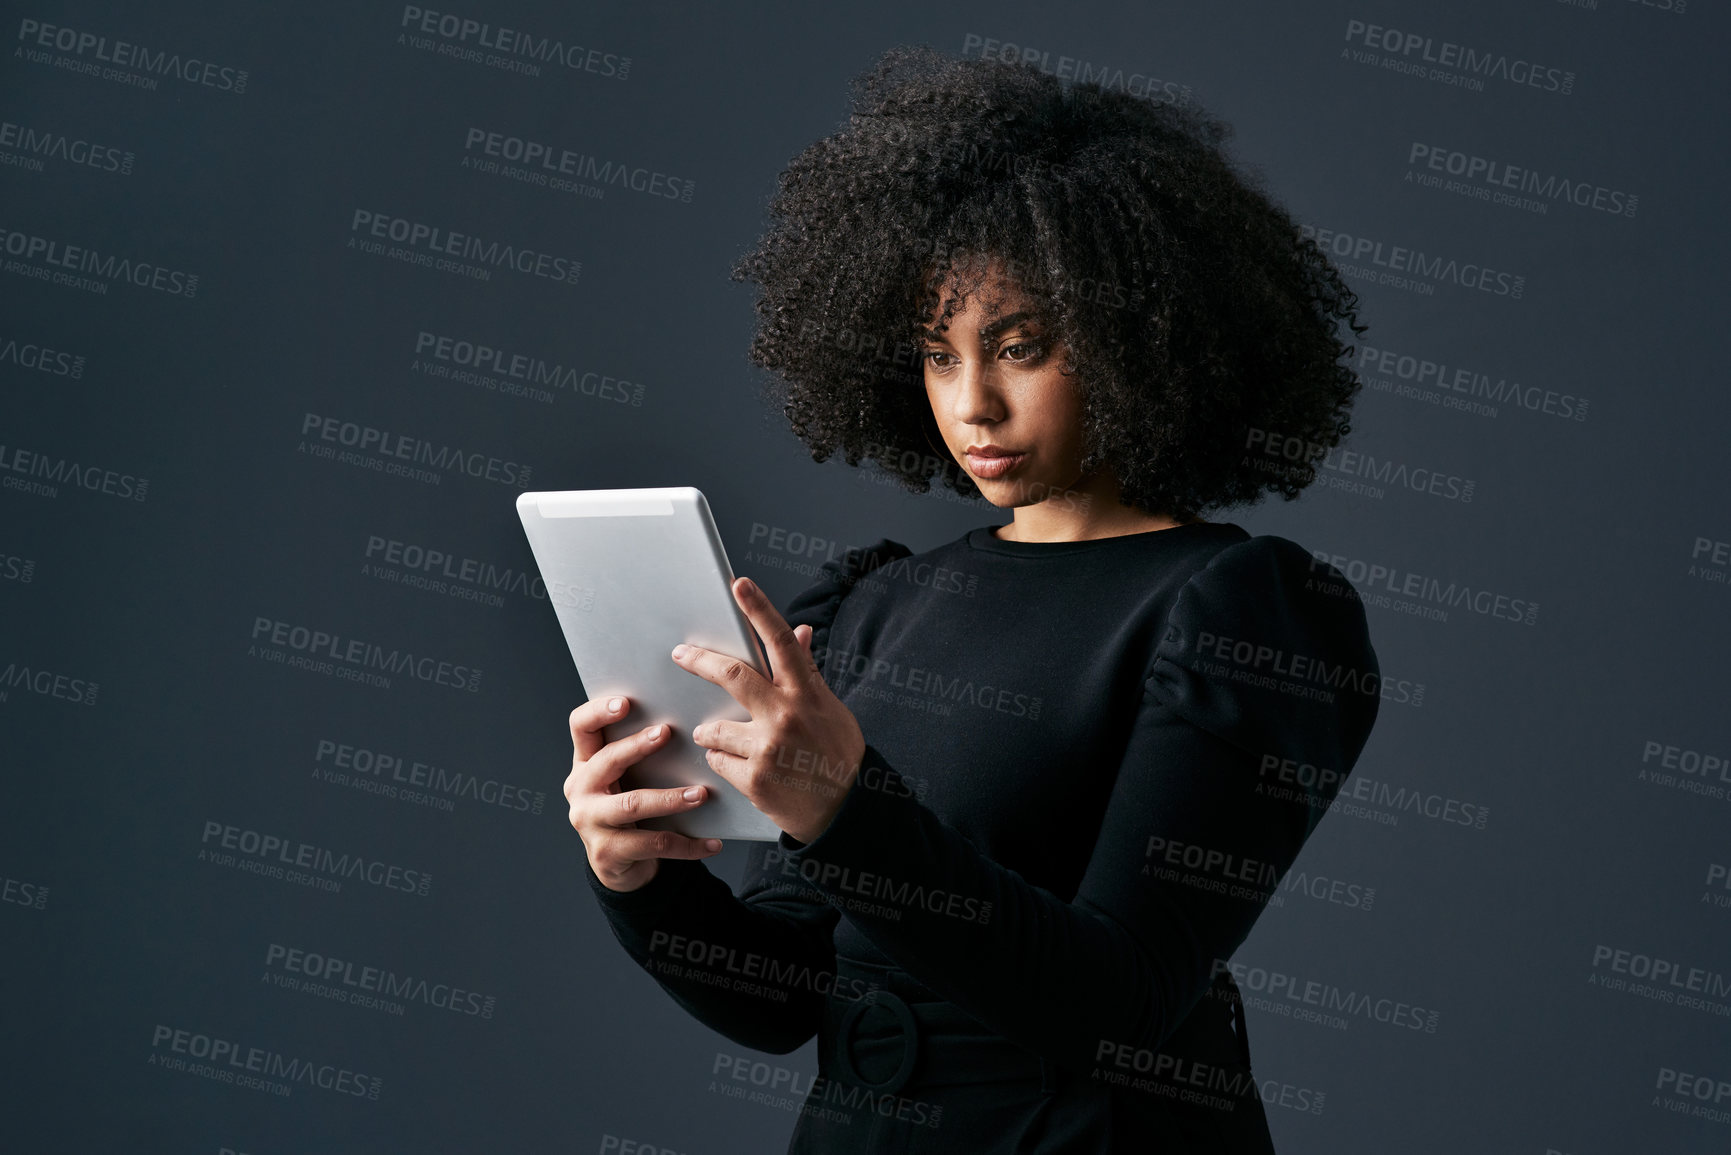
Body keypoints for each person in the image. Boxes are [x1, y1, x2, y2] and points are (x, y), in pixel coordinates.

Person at [564, 46, 1380, 1153]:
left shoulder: (1245, 612)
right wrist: (642, 880)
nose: (974, 404)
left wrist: (847, 811)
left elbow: (1125, 999)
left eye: (1021, 347)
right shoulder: (874, 604)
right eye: (937, 357)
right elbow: (787, 999)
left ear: (1145, 339)